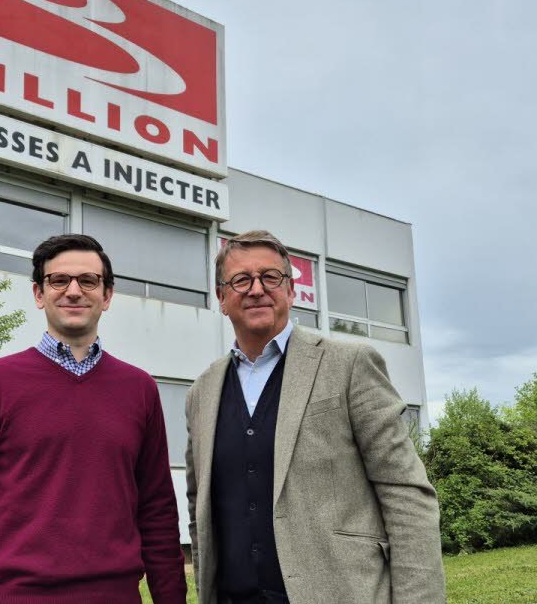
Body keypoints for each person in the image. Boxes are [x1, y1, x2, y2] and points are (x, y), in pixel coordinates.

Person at [184, 230, 445, 604]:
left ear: (290, 290)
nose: (256, 289)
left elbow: (405, 493)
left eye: (270, 277)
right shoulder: (202, 392)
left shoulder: (349, 365)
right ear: (222, 298)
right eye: (241, 280)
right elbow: (199, 509)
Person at [0, 234, 186, 603]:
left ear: (107, 296)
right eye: (59, 280)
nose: (73, 291)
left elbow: (157, 509)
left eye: (88, 280)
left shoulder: (139, 389)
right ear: (38, 293)